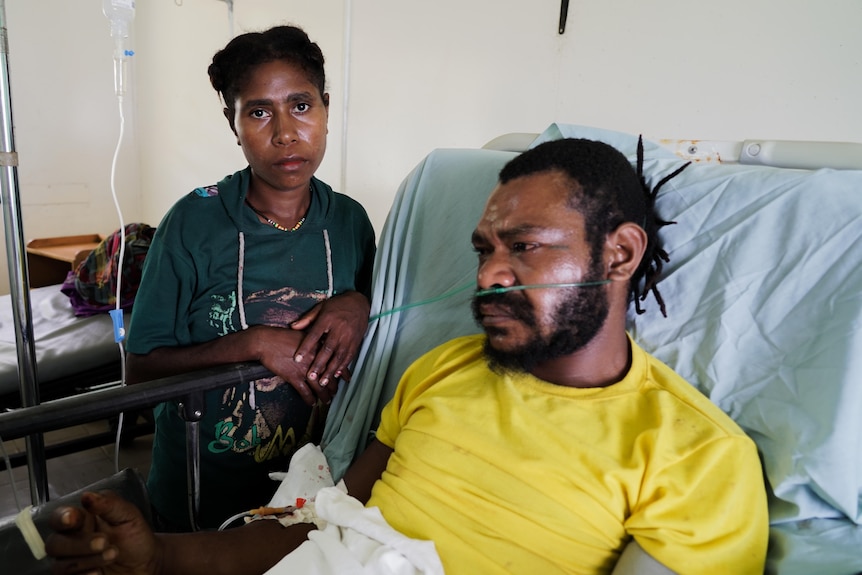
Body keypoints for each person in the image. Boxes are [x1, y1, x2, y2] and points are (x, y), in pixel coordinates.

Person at [46, 138, 769, 574]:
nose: (488, 275)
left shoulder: (695, 458)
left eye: (525, 246)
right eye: (485, 248)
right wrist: (159, 558)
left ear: (619, 252)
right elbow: (324, 530)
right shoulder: (444, 369)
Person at [123, 25, 376, 531]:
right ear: (232, 122)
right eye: (259, 112)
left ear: (326, 107)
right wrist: (255, 343)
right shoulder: (193, 224)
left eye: (301, 106)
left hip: (309, 498)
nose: (285, 132)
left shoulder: (350, 222)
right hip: (198, 498)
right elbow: (140, 369)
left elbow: (385, 331)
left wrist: (360, 303)